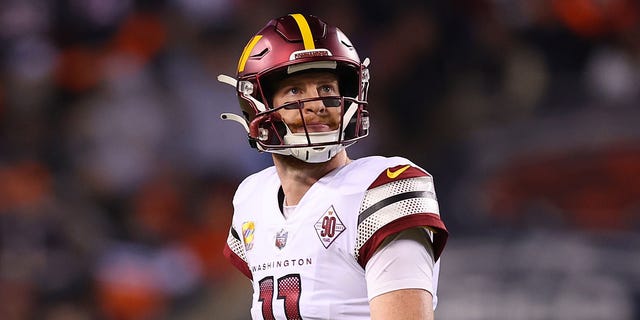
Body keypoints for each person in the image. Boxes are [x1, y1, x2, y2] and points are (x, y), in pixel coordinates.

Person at [219, 13, 448, 320]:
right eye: (295, 91)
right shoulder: (251, 197)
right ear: (257, 106)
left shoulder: (380, 190)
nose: (316, 104)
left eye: (327, 88)